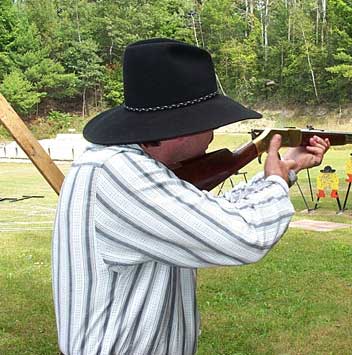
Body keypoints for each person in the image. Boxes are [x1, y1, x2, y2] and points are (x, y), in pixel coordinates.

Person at [52, 38, 330, 355]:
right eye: (210, 123)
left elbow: (205, 215)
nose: (212, 135)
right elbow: (244, 237)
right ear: (185, 127)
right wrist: (276, 182)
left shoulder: (119, 163)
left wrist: (284, 170)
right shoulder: (118, 172)